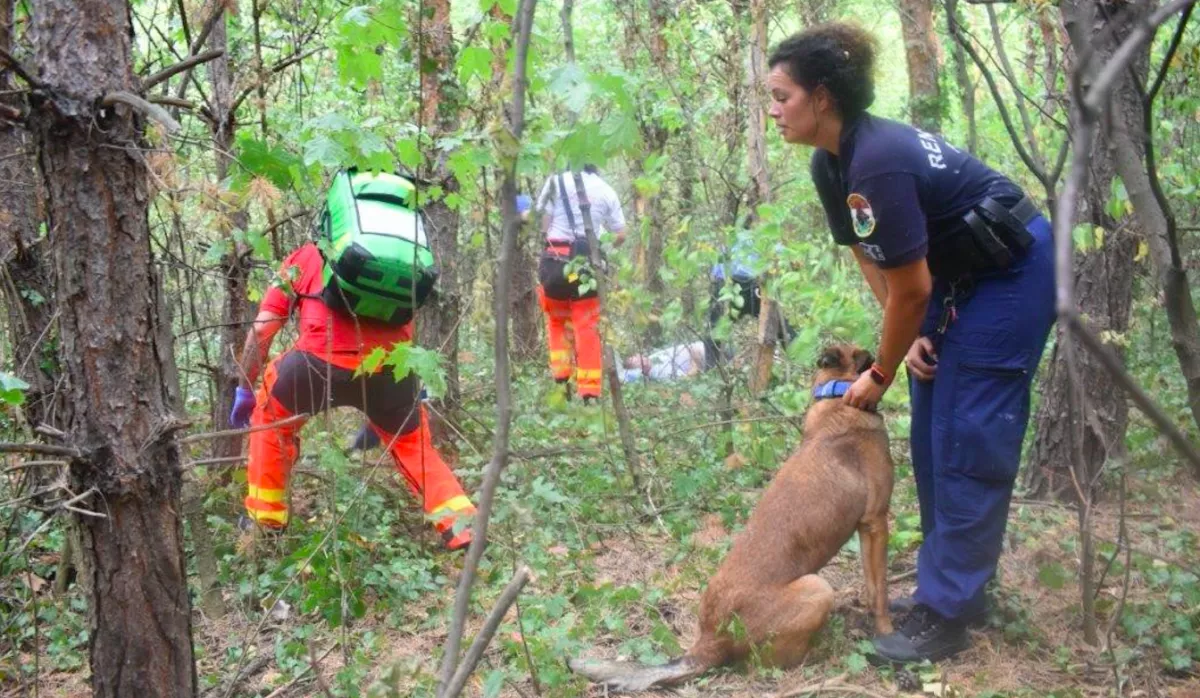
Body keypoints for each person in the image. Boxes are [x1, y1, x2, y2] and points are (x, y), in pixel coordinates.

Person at [766, 23, 1055, 662]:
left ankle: (947, 615)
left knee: (967, 435)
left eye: (782, 96)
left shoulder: (879, 159)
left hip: (1011, 272)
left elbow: (913, 286)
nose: (774, 110)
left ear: (822, 97)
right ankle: (949, 588)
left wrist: (881, 370)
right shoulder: (831, 162)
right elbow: (872, 257)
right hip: (954, 276)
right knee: (931, 431)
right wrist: (915, 335)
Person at [228, 242, 477, 552]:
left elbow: (262, 330)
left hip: (315, 364)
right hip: (391, 371)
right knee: (414, 447)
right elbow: (401, 334)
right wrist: (388, 409)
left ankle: (265, 522)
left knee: (271, 420)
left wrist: (244, 389)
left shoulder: (307, 255)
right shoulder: (403, 260)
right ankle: (463, 527)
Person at [534, 165, 627, 402]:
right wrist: (603, 245)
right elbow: (620, 234)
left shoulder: (555, 182)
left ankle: (561, 384)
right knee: (587, 329)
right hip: (588, 266)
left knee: (557, 323)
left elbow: (543, 222)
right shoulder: (606, 189)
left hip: (555, 263)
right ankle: (589, 394)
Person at [616, 339, 720, 384]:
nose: (641, 357)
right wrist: (695, 360)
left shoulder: (652, 359)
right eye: (638, 361)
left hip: (703, 345)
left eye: (638, 356)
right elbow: (687, 378)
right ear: (640, 369)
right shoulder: (661, 374)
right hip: (709, 357)